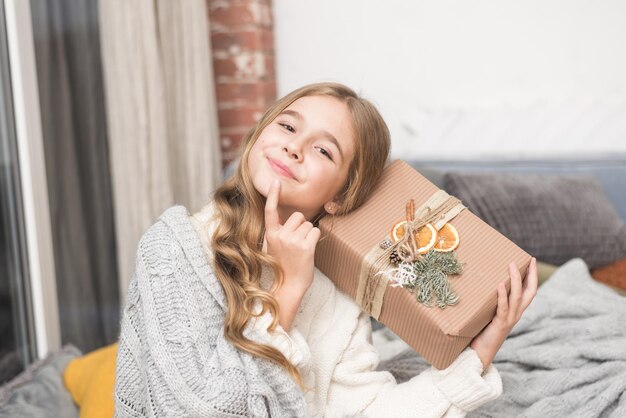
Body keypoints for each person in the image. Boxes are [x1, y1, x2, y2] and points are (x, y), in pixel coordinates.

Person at [114, 82, 538, 418]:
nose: (294, 147)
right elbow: (197, 411)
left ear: (339, 197)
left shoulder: (334, 287)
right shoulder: (173, 247)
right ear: (260, 132)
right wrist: (286, 291)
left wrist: (476, 357)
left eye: (322, 149)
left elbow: (364, 412)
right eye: (287, 126)